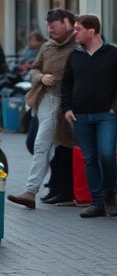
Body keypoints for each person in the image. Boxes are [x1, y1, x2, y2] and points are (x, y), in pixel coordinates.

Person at [8, 8, 78, 209]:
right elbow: (34, 69)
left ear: (66, 23)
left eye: (53, 27)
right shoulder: (47, 46)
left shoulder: (76, 48)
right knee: (37, 143)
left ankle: (35, 190)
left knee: (48, 146)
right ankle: (52, 187)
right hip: (42, 100)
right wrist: (41, 77)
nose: (50, 31)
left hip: (63, 103)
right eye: (48, 27)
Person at [59, 13, 117, 218]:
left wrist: (114, 107)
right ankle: (97, 202)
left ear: (91, 31)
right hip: (80, 116)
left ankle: (110, 194)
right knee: (90, 159)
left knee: (107, 155)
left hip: (106, 115)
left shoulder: (112, 54)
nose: (74, 33)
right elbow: (66, 83)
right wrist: (66, 108)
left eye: (78, 29)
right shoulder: (75, 55)